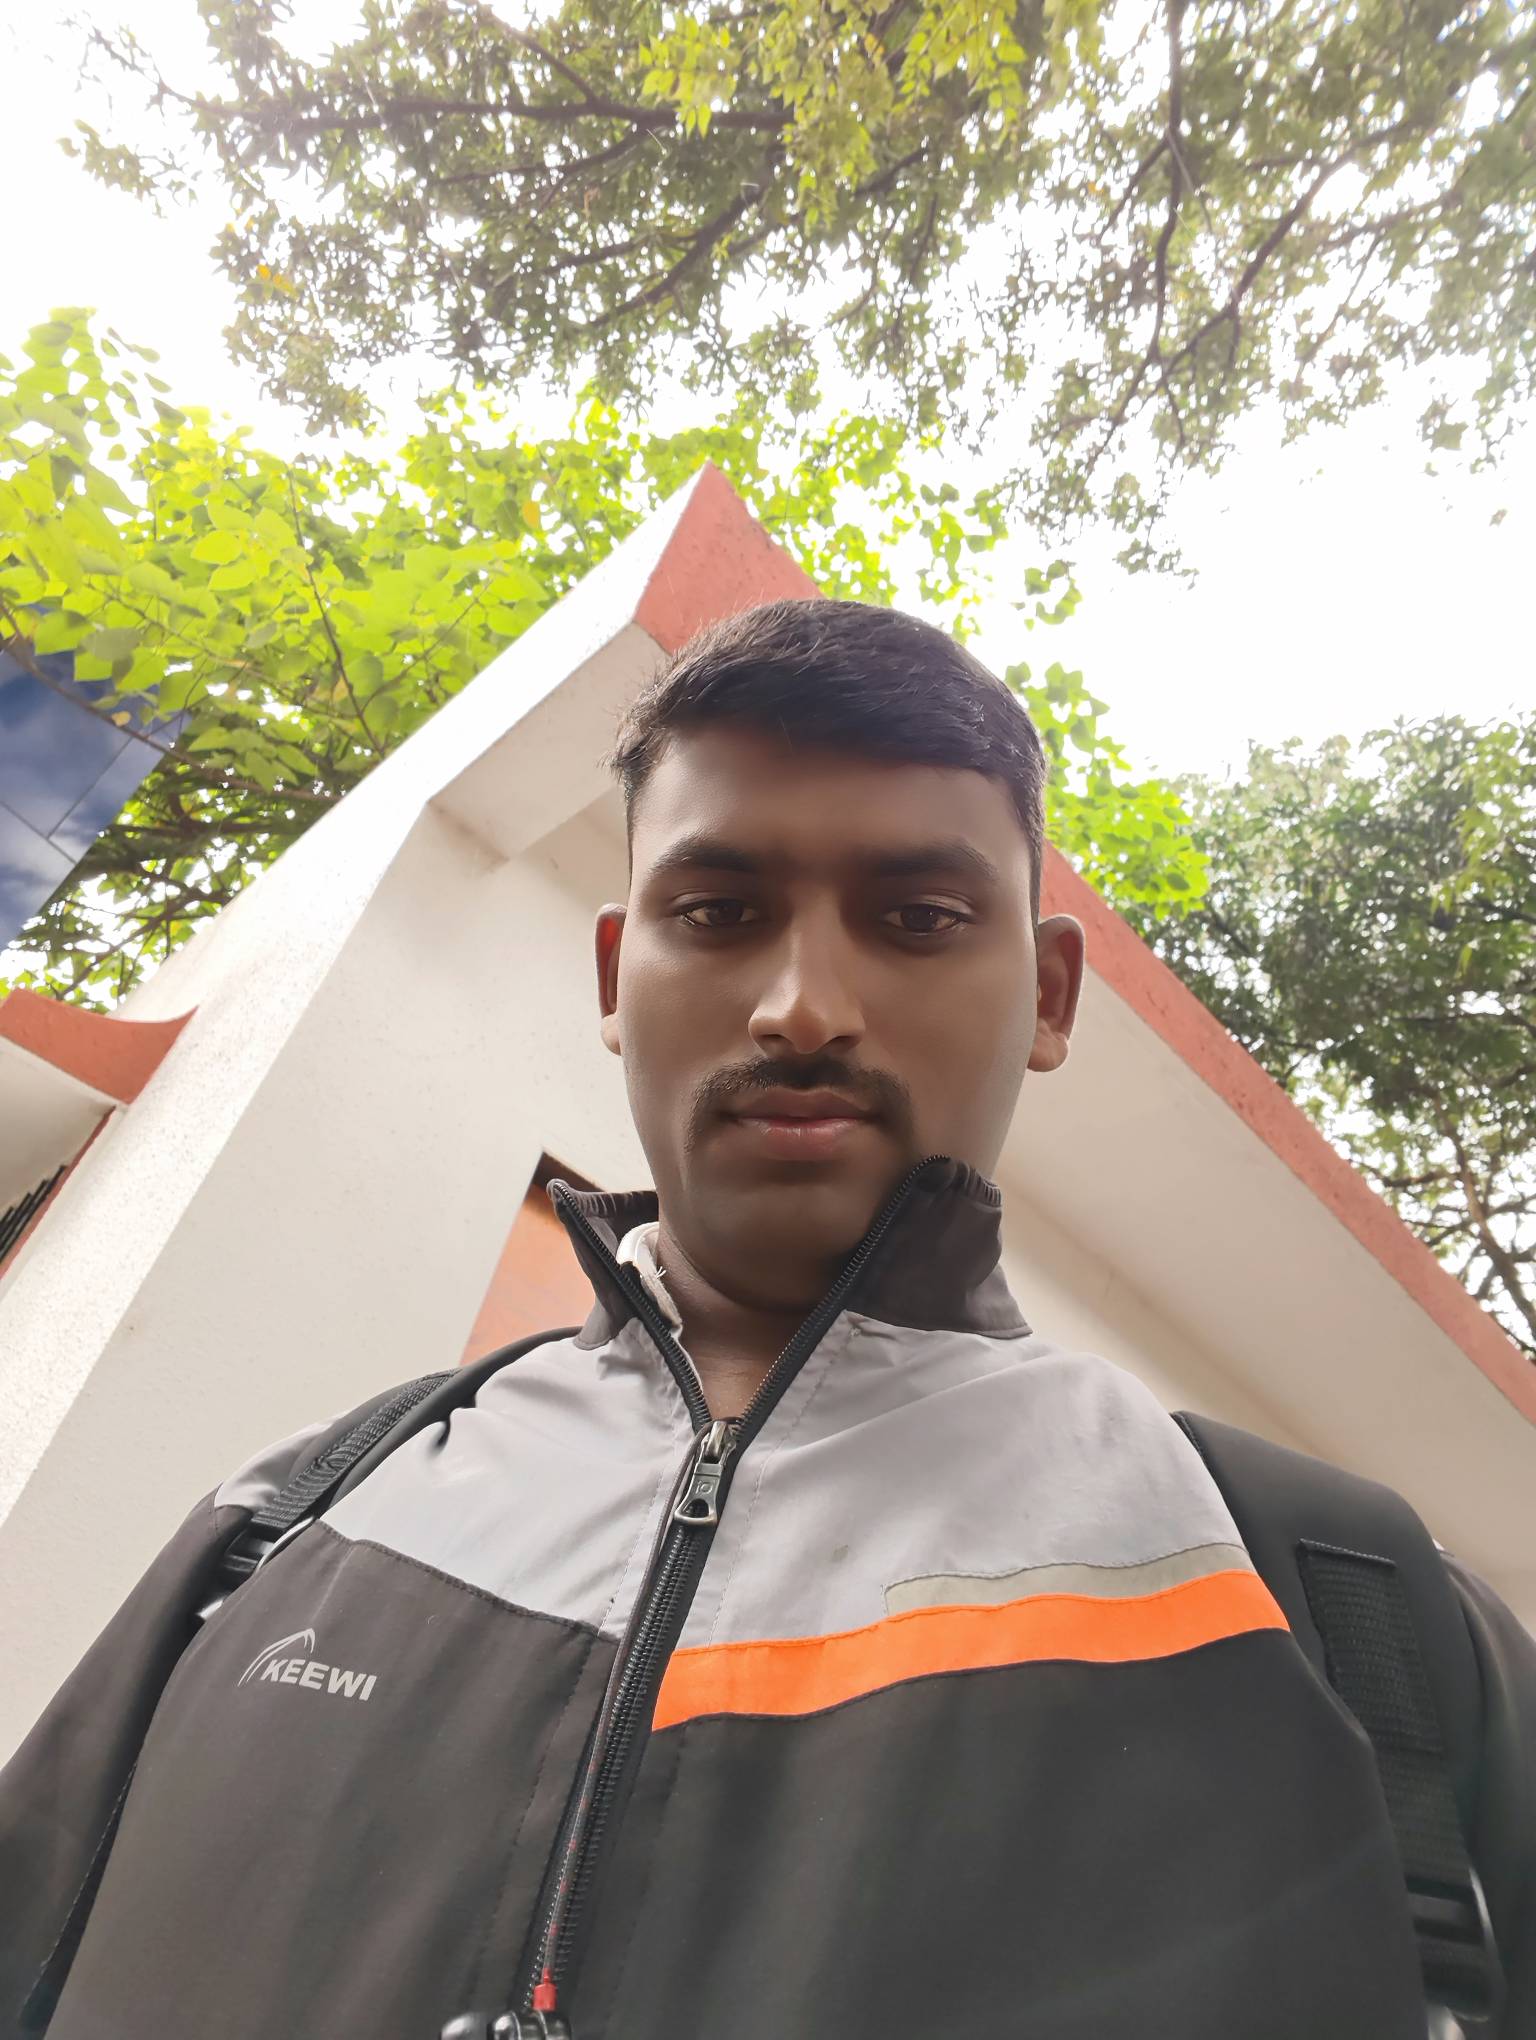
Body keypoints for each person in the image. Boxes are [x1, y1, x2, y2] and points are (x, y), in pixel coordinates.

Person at [1, 598, 1531, 2040]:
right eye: (721, 910)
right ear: (619, 976)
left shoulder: (1347, 1609)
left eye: (918, 917)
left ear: (1051, 994)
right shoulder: (286, 1526)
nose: (803, 1005)